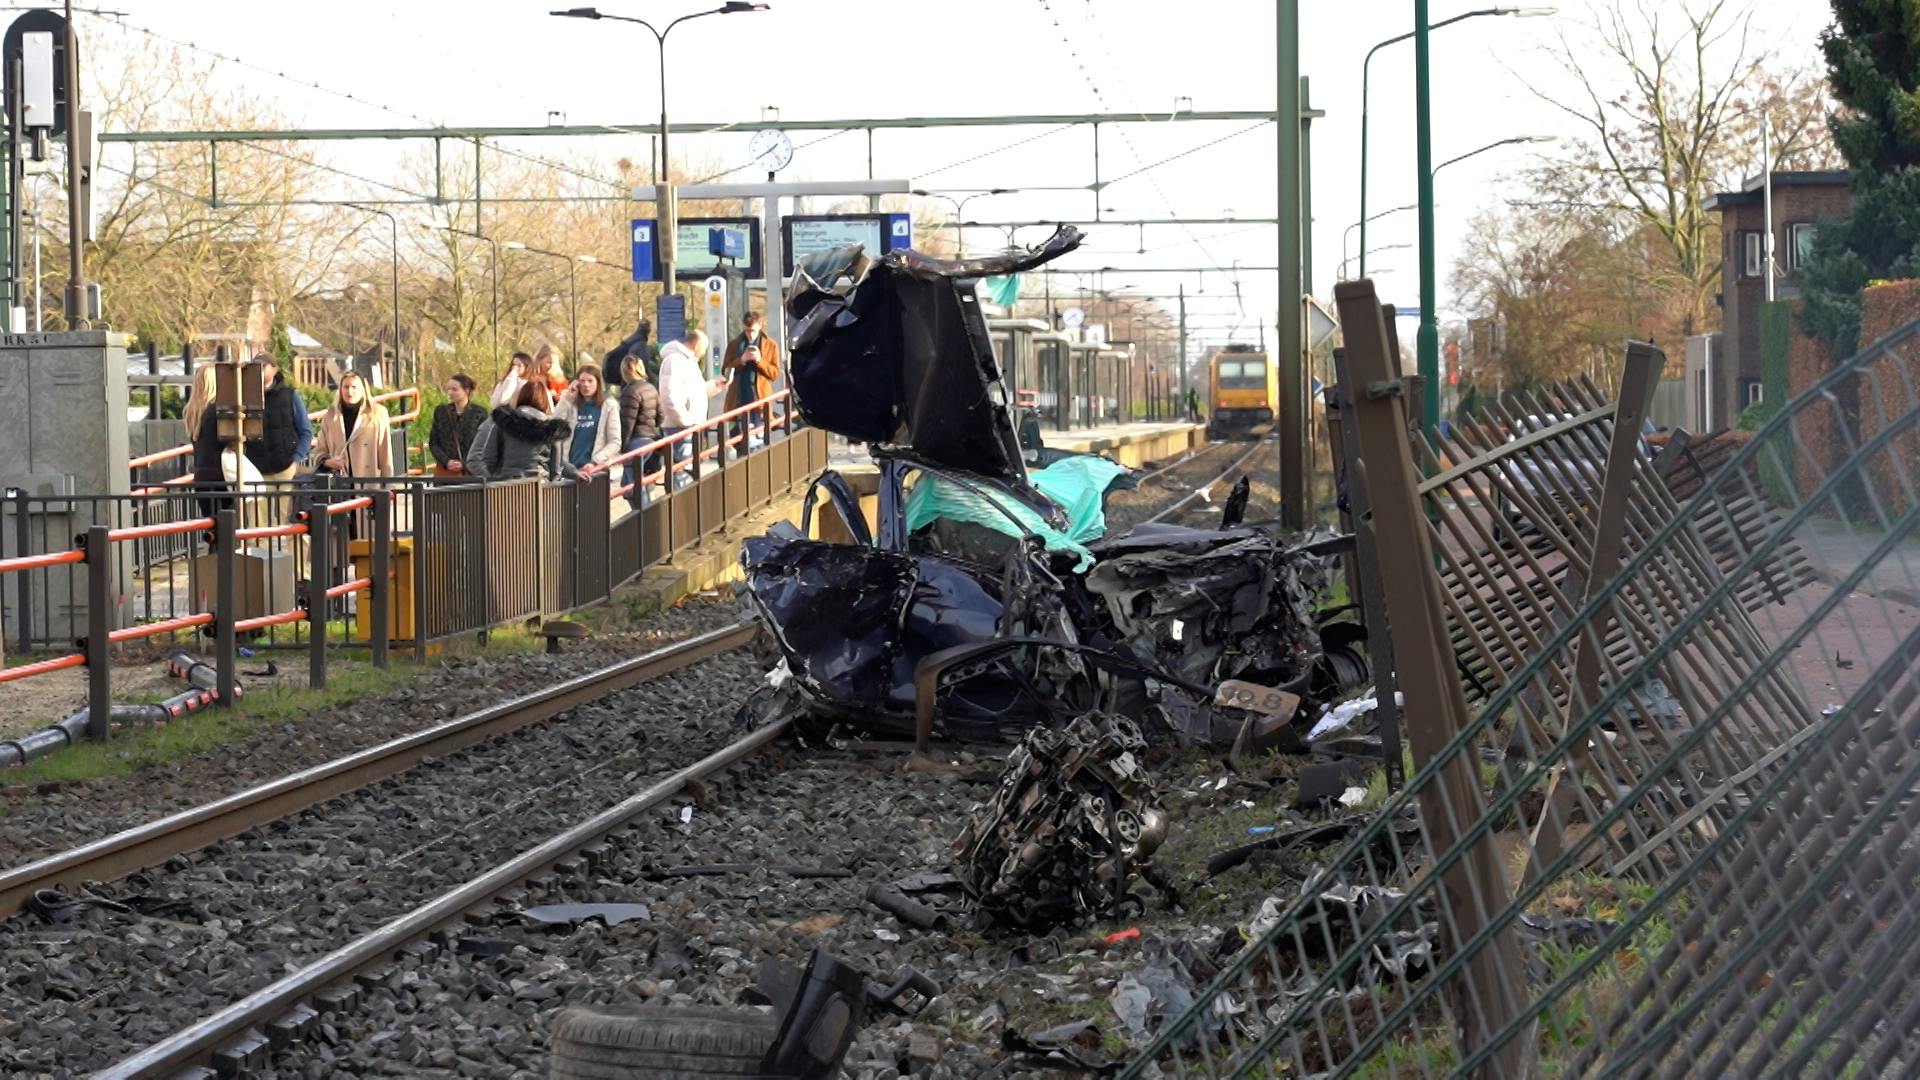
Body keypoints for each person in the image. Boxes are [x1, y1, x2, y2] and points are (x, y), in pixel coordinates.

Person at [656, 329, 728, 490]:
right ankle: (680, 509)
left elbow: (692, 392)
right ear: (696, 346)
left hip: (689, 424)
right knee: (682, 470)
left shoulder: (687, 362)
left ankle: (685, 507)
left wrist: (713, 386)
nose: (703, 353)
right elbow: (669, 396)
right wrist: (685, 421)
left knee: (687, 468)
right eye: (703, 349)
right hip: (681, 426)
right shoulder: (675, 361)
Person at [463, 381, 575, 481]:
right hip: (540, 486)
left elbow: (489, 458)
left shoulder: (503, 423)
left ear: (520, 397)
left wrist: (498, 477)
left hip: (507, 485)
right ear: (545, 400)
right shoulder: (552, 428)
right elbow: (556, 468)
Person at [243, 354, 313, 492]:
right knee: (258, 513)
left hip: (285, 467)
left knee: (284, 512)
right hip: (256, 469)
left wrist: (296, 458)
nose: (259, 371)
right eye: (255, 367)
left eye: (263, 366)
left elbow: (306, 431)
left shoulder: (289, 395)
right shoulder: (245, 397)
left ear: (274, 370)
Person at [312, 370, 393, 479]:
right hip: (340, 483)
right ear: (340, 390)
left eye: (354, 387)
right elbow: (319, 451)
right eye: (346, 387)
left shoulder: (378, 413)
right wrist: (328, 462)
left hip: (369, 482)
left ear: (363, 389)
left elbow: (385, 453)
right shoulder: (331, 415)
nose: (349, 391)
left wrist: (389, 485)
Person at [722, 310, 781, 453]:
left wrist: (760, 361)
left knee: (760, 436)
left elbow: (775, 374)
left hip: (761, 400)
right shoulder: (735, 344)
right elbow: (725, 370)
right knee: (745, 438)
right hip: (740, 398)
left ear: (760, 326)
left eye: (753, 331)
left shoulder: (770, 345)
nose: (750, 335)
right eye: (747, 331)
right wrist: (741, 360)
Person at [553, 364, 623, 475]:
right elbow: (554, 425)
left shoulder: (609, 406)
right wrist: (566, 398)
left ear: (598, 383)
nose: (586, 385)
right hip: (571, 469)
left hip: (594, 469)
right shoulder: (571, 404)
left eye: (590, 381)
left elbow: (615, 441)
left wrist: (595, 461)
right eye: (582, 381)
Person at [183, 363, 232, 521]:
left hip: (201, 477)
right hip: (222, 476)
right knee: (229, 525)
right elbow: (229, 440)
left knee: (211, 525)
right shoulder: (219, 410)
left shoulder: (192, 411)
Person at [614, 351, 662, 507]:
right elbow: (661, 416)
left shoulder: (630, 392)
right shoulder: (651, 388)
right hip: (650, 439)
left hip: (636, 441)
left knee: (633, 484)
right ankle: (641, 515)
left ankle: (642, 517)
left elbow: (627, 423)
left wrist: (621, 447)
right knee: (630, 483)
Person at [428, 373, 487, 479]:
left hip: (469, 473)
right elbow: (434, 442)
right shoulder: (441, 411)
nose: (450, 392)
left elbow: (483, 444)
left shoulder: (479, 413)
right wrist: (446, 461)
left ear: (466, 391)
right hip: (445, 472)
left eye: (455, 389)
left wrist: (464, 463)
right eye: (449, 389)